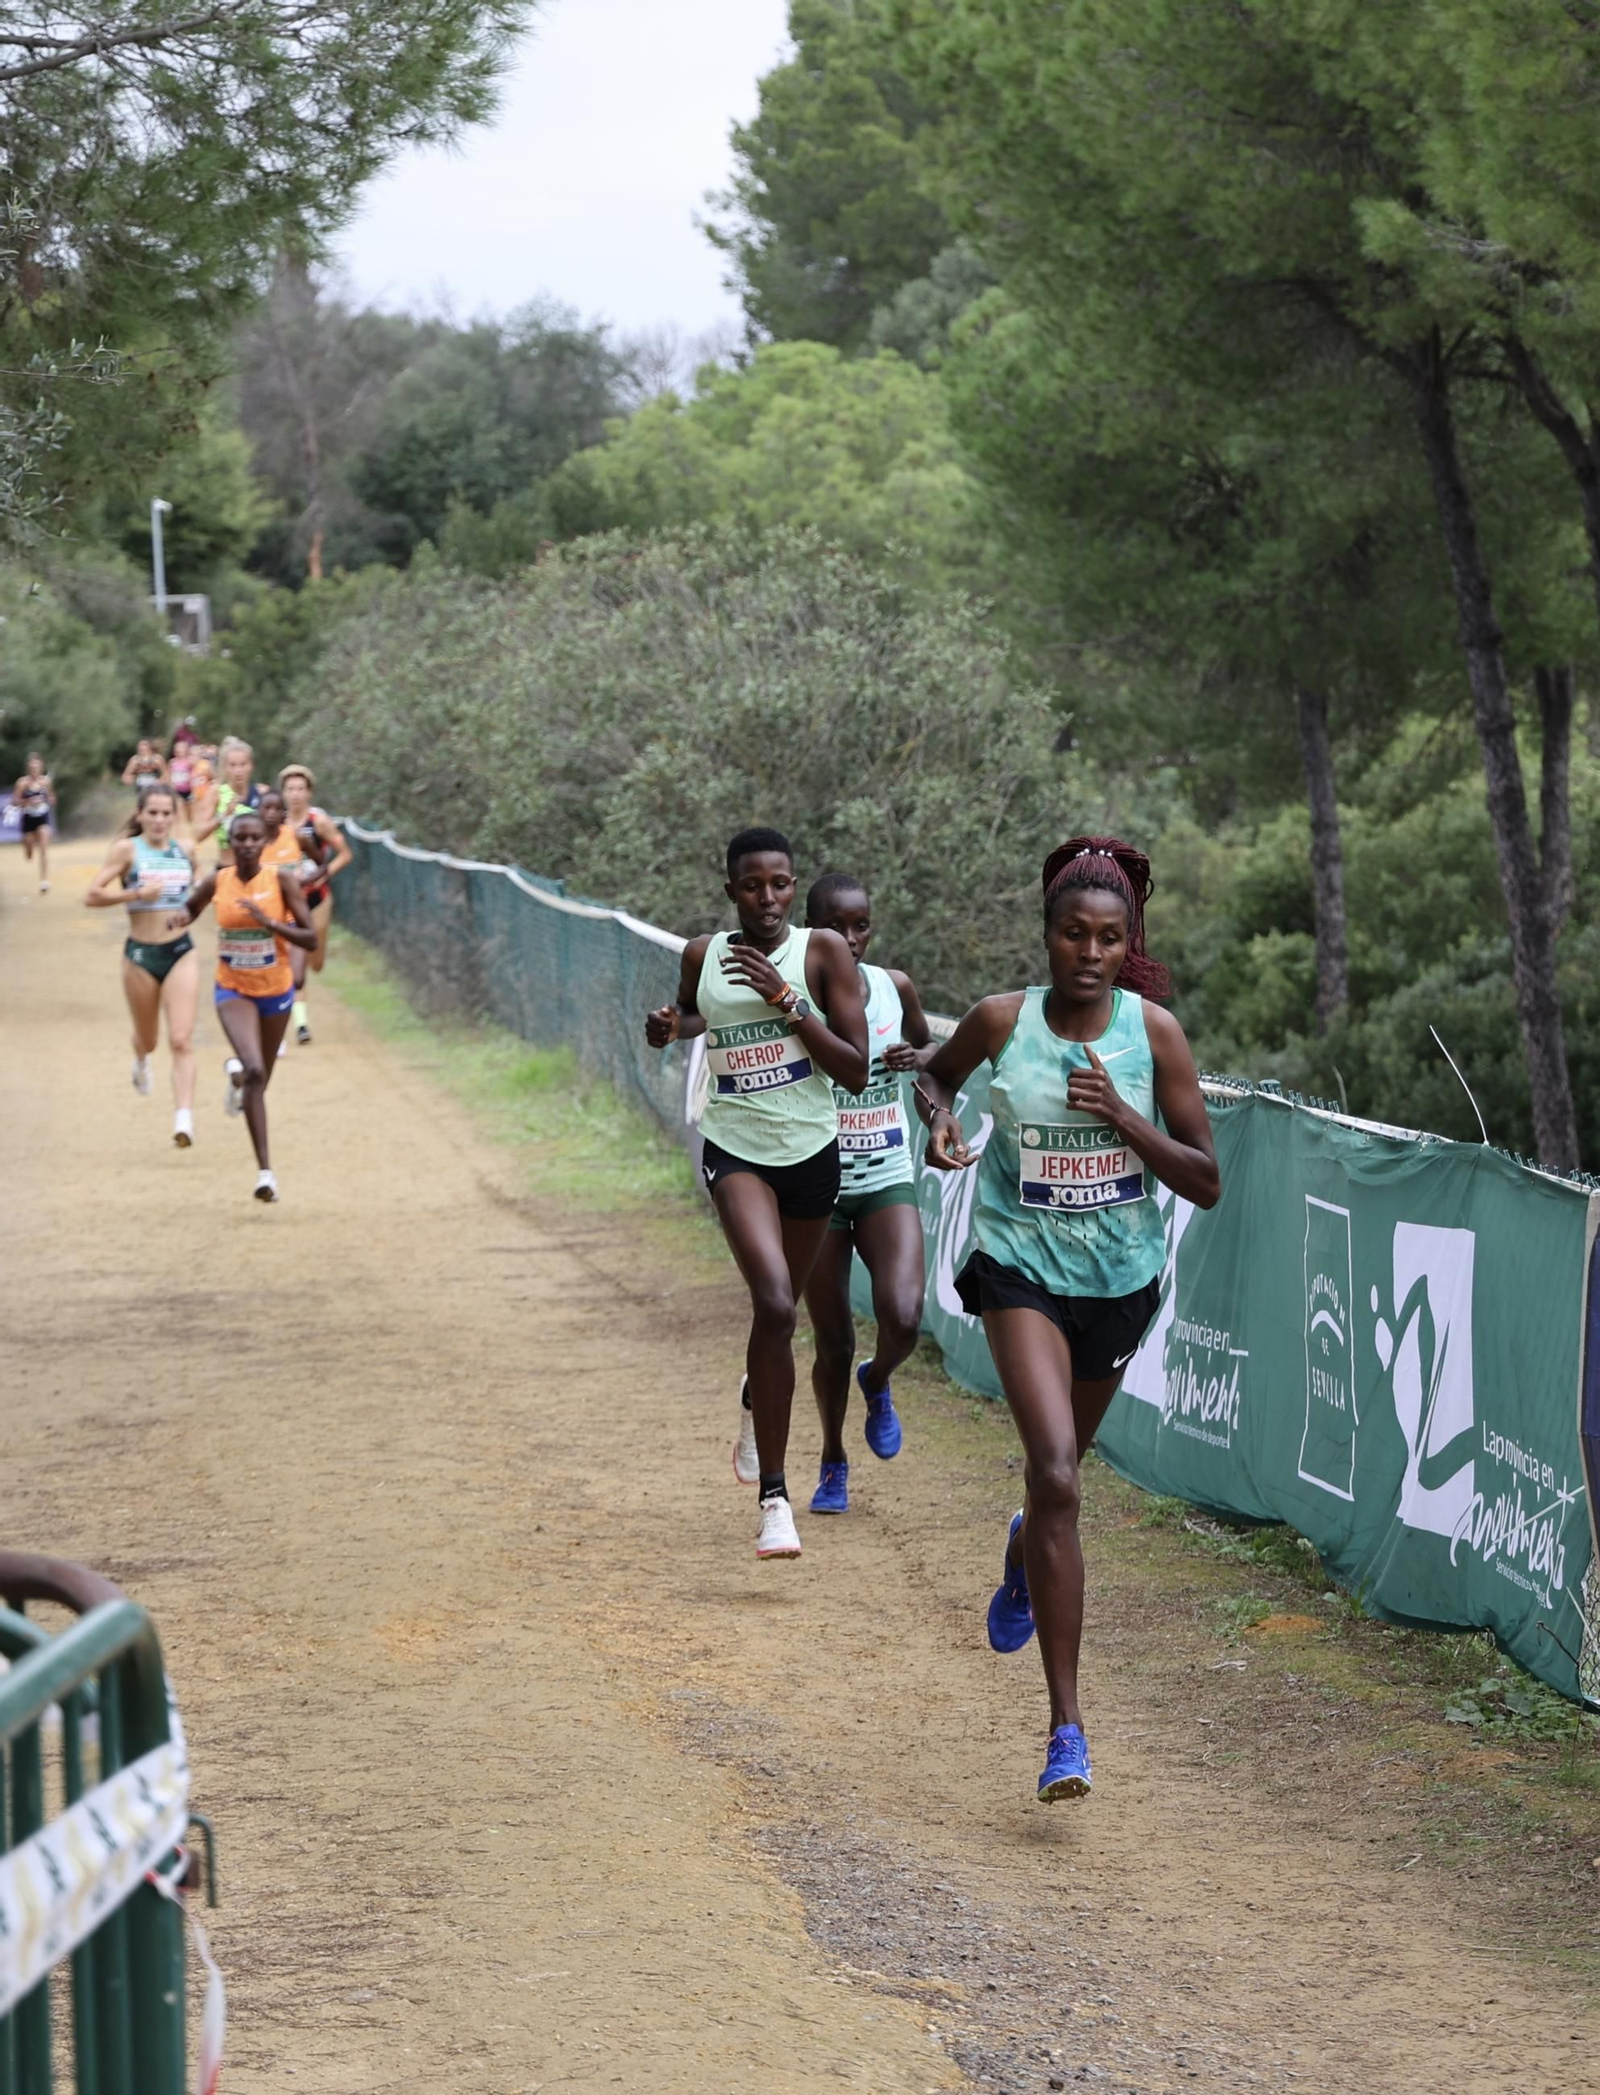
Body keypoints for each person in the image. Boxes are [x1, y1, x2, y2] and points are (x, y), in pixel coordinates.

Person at [914, 837, 1220, 1804]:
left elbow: (1206, 1181)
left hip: (1121, 1282)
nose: (1088, 951)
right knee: (1055, 1472)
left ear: (1127, 942)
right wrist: (939, 1117)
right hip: (1019, 1269)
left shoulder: (1155, 1034)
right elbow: (935, 1072)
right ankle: (1067, 1728)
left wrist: (1127, 1118)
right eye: (1071, 933)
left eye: (1107, 937)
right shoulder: (1003, 1021)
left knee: (1059, 1485)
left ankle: (1023, 1549)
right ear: (1045, 935)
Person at [645, 828, 868, 1559]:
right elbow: (698, 1011)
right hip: (736, 1147)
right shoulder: (702, 954)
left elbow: (856, 1070)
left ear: (791, 886)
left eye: (779, 883)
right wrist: (671, 1026)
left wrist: (788, 1001)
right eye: (751, 885)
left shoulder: (823, 954)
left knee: (781, 1314)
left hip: (811, 1152)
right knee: (773, 1303)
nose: (766, 898)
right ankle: (776, 1499)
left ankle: (756, 1390)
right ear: (731, 889)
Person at [799, 873, 934, 1514]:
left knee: (904, 1316)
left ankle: (877, 1381)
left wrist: (915, 1058)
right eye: (837, 927)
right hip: (817, 1184)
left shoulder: (893, 985)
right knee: (832, 1341)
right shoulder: (792, 995)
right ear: (810, 928)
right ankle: (832, 1460)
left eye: (862, 927)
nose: (851, 940)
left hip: (884, 1174)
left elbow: (926, 1046)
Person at [169, 807, 316, 1202]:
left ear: (265, 842)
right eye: (241, 838)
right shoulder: (218, 881)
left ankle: (238, 1081)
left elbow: (310, 938)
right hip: (233, 989)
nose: (248, 844)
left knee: (259, 1080)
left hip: (276, 991)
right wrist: (179, 918)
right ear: (230, 843)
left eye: (255, 838)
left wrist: (271, 925)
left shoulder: (282, 881)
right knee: (254, 1068)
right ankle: (265, 1173)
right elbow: (192, 906)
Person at [85, 786, 201, 1146]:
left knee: (181, 1039)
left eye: (167, 813)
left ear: (174, 817)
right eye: (152, 813)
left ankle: (184, 1118)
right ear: (140, 815)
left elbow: (197, 892)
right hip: (140, 955)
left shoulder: (186, 849)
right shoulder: (126, 850)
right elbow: (92, 894)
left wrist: (190, 907)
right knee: (149, 1040)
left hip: (181, 951)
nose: (160, 820)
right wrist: (136, 894)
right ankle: (140, 1060)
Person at [277, 764, 350, 1044]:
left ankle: (310, 964)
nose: (295, 794)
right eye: (290, 789)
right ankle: (301, 1024)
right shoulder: (278, 824)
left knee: (315, 962)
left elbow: (345, 854)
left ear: (309, 793)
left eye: (300, 789)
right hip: (288, 904)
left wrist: (320, 875)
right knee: (292, 964)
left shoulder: (318, 821)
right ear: (283, 793)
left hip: (318, 898)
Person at [194, 736, 259, 867]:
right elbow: (198, 834)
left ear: (251, 766)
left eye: (243, 764)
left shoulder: (261, 793)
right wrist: (223, 816)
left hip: (257, 872)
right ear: (224, 767)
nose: (238, 771)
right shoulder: (216, 793)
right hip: (226, 868)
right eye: (232, 765)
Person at [13, 752, 54, 892]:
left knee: (44, 848)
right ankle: (28, 847)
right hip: (28, 817)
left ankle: (44, 880)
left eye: (37, 767)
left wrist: (48, 801)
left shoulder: (46, 782)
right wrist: (27, 801)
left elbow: (52, 798)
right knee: (29, 852)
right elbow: (14, 801)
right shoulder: (22, 783)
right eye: (32, 767)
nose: (34, 770)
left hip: (42, 816)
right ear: (28, 769)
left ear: (41, 767)